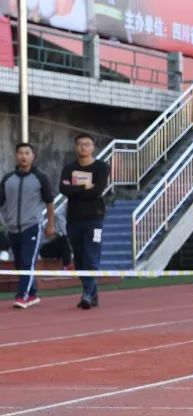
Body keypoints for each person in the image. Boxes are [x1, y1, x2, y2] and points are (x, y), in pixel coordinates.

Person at [0, 143, 56, 309]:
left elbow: (50, 202)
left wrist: (50, 225)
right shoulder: (8, 179)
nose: (24, 156)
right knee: (20, 263)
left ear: (33, 156)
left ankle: (22, 296)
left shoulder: (40, 178)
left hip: (32, 226)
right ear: (16, 156)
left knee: (27, 261)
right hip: (12, 228)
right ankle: (32, 293)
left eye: (27, 153)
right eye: (20, 153)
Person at [59, 133, 110, 310]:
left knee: (91, 258)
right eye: (80, 144)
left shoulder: (101, 167)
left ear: (93, 147)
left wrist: (76, 190)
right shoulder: (69, 168)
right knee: (79, 261)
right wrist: (83, 187)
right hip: (73, 219)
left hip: (94, 219)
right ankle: (92, 292)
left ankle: (87, 294)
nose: (83, 147)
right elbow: (63, 189)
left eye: (87, 144)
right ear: (75, 147)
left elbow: (97, 191)